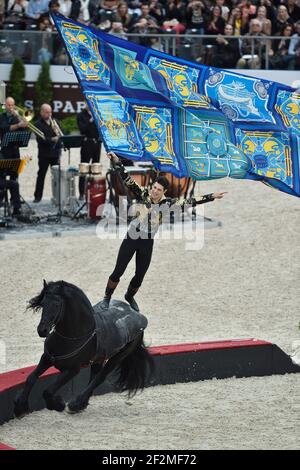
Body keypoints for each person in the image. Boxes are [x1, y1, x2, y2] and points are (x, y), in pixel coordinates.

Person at [101, 151, 227, 311]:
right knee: (119, 270)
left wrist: (212, 196)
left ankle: (129, 296)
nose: (154, 191)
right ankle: (107, 297)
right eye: (154, 188)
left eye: (158, 190)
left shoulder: (168, 203)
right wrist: (117, 160)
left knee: (140, 276)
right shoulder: (142, 193)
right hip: (133, 235)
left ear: (164, 192)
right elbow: (126, 177)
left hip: (147, 241)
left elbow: (191, 201)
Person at [33, 103, 62, 203]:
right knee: (41, 175)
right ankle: (37, 196)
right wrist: (52, 139)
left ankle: (58, 196)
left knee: (57, 176)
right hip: (44, 154)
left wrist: (58, 137)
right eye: (46, 112)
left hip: (55, 153)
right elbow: (41, 140)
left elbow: (61, 136)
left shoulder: (56, 122)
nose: (49, 114)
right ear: (41, 112)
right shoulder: (37, 124)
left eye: (50, 112)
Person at [77, 104, 102, 200]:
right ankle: (81, 193)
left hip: (97, 144)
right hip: (86, 143)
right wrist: (91, 120)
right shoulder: (81, 115)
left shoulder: (97, 113)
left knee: (96, 169)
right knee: (84, 169)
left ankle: (94, 192)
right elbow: (82, 129)